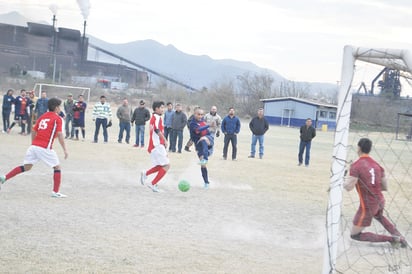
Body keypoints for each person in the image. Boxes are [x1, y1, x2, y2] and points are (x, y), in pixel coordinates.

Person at [344, 138, 407, 247]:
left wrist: (341, 179)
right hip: (380, 200)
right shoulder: (377, 165)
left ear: (358, 148)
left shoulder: (356, 165)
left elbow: (349, 187)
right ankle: (399, 236)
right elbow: (384, 186)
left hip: (368, 205)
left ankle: (393, 239)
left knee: (355, 235)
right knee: (379, 216)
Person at [0, 98, 69, 198]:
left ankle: (4, 177)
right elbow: (59, 134)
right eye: (59, 106)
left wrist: (33, 143)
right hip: (45, 147)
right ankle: (55, 192)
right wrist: (65, 150)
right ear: (56, 108)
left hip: (34, 146)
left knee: (26, 167)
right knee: (57, 167)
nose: (60, 109)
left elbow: (33, 130)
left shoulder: (42, 117)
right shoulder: (57, 119)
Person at [140, 101, 170, 192]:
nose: (163, 109)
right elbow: (157, 130)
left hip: (156, 146)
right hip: (157, 146)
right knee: (166, 165)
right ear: (156, 108)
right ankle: (153, 184)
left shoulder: (155, 117)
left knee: (162, 165)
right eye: (161, 107)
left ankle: (146, 173)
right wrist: (164, 139)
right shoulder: (156, 117)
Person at [189, 107, 215, 189]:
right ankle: (206, 183)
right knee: (203, 165)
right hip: (199, 146)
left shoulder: (203, 122)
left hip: (208, 143)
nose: (200, 116)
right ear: (194, 114)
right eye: (198, 114)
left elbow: (208, 133)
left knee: (203, 139)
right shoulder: (192, 124)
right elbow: (198, 130)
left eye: (201, 114)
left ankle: (206, 158)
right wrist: (208, 125)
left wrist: (208, 138)